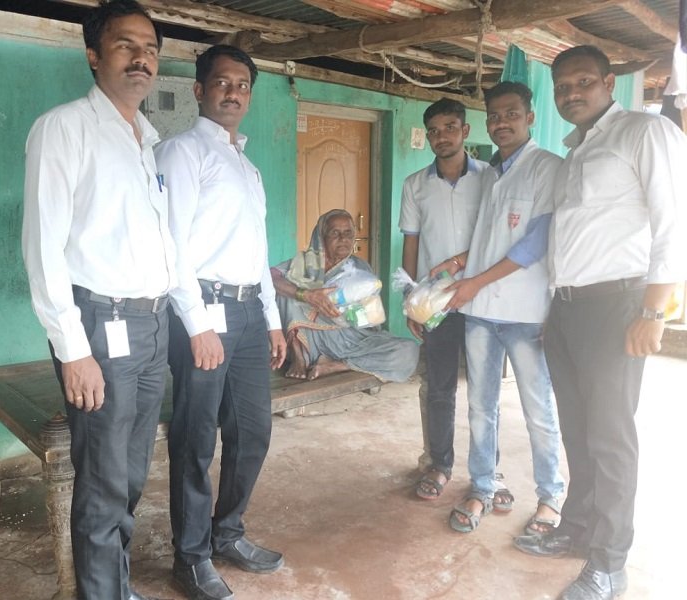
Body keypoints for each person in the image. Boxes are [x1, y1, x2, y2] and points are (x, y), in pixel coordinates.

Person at [513, 45, 687, 600]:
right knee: (578, 429)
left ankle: (609, 565)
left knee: (610, 438)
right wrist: (553, 309)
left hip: (618, 306)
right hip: (567, 309)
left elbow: (674, 223)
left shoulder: (644, 132)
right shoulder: (576, 150)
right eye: (562, 87)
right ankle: (577, 529)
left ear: (609, 83)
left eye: (583, 82)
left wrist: (654, 311)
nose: (571, 94)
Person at [21, 2, 174, 599]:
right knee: (104, 478)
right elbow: (42, 247)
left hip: (151, 325)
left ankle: (113, 584)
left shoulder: (147, 140)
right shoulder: (64, 128)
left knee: (130, 472)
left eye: (150, 49)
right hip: (100, 325)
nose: (141, 58)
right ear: (93, 55)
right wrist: (73, 349)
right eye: (125, 45)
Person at [153, 45, 287, 600]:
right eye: (222, 82)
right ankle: (190, 557)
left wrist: (272, 319)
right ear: (199, 90)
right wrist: (196, 323)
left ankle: (226, 532)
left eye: (243, 85)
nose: (233, 93)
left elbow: (258, 250)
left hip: (250, 312)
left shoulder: (247, 166)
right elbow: (171, 247)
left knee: (253, 431)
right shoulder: (181, 152)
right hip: (203, 311)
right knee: (195, 439)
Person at [441, 81, 564, 535]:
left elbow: (534, 244)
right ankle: (482, 485)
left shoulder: (548, 167)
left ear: (530, 117)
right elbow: (489, 237)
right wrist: (459, 263)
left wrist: (474, 281)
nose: (501, 123)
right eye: (493, 116)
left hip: (524, 313)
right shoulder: (492, 174)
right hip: (481, 312)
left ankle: (550, 497)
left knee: (537, 408)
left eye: (511, 114)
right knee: (480, 406)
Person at [398, 98, 487, 499]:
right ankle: (440, 464)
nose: (442, 137)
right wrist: (410, 300)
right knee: (439, 387)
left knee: (484, 390)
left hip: (483, 298)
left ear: (465, 131)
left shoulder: (490, 179)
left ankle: (488, 471)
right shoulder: (415, 185)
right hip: (437, 305)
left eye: (450, 127)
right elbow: (411, 244)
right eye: (434, 131)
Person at [271, 209, 419, 383]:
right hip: (309, 340)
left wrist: (349, 314)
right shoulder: (302, 263)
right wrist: (305, 295)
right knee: (286, 289)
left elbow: (372, 318)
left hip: (350, 339)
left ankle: (335, 365)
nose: (343, 239)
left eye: (348, 233)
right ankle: (299, 357)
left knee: (408, 351)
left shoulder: (359, 267)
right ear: (321, 236)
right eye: (335, 233)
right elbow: (269, 277)